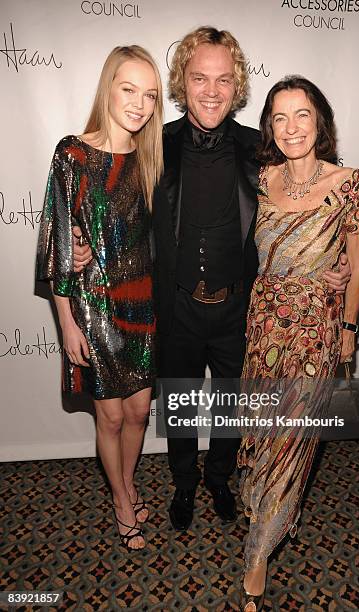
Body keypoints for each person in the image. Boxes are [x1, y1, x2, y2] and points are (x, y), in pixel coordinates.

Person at [72, 27, 350, 534]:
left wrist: (333, 257)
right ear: (182, 81)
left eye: (224, 80)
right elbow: (105, 194)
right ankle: (182, 482)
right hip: (174, 305)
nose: (212, 91)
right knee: (178, 400)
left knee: (227, 402)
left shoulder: (259, 150)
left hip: (239, 309)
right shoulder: (153, 145)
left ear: (237, 84)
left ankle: (219, 478)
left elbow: (309, 200)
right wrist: (78, 240)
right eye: (200, 78)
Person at [237, 76, 359, 611]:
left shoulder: (349, 183)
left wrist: (347, 335)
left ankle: (257, 555)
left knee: (294, 443)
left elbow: (357, 268)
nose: (291, 127)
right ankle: (270, 514)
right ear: (269, 126)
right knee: (266, 434)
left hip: (316, 332)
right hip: (264, 327)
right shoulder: (263, 178)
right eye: (279, 117)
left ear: (320, 121)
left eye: (302, 115)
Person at [36, 45, 163, 550]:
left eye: (150, 95)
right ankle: (120, 499)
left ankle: (128, 482)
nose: (139, 103)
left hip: (144, 305)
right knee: (110, 415)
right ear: (108, 87)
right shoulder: (73, 154)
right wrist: (67, 323)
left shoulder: (152, 158)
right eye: (128, 89)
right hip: (94, 308)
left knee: (137, 413)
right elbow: (57, 244)